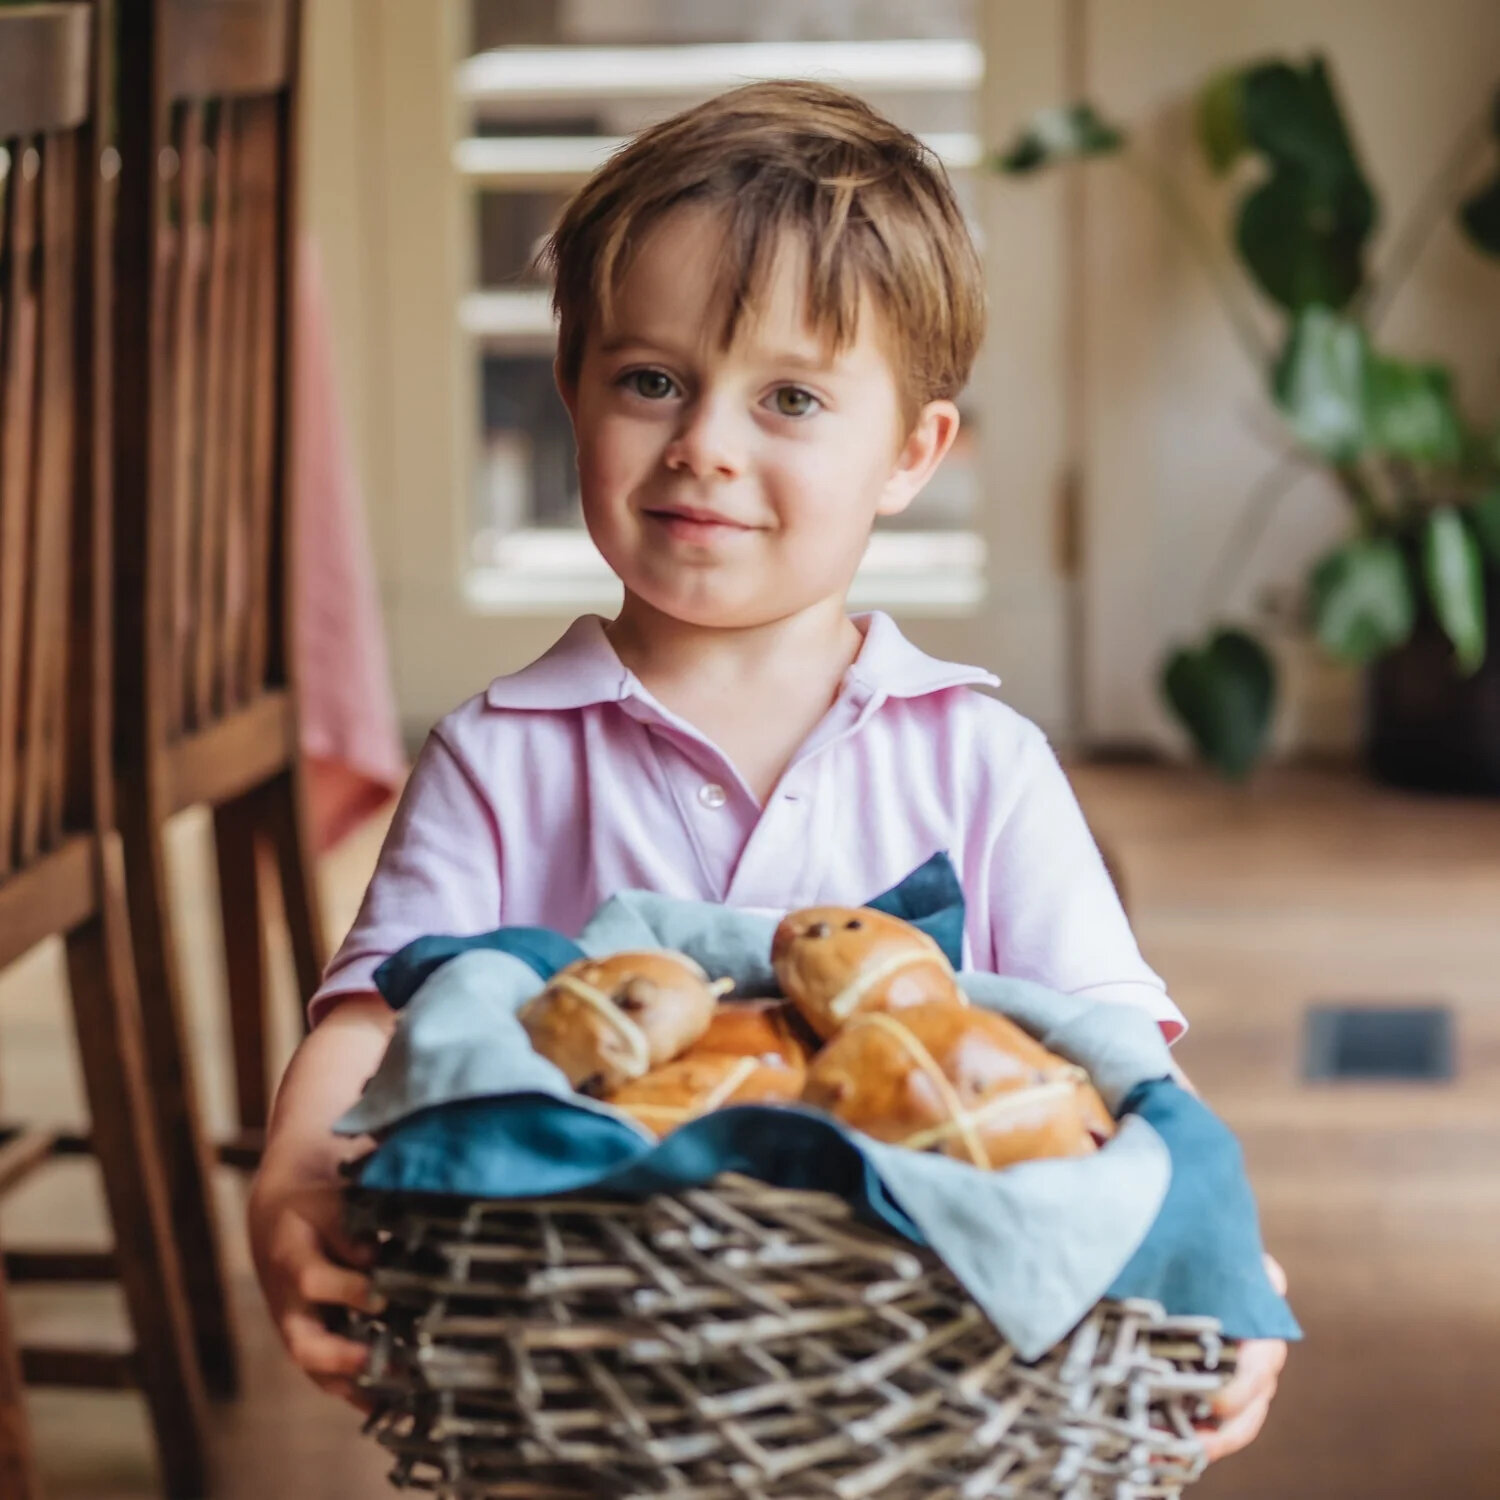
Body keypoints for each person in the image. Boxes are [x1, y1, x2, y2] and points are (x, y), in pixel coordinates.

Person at [248, 79, 1286, 1457]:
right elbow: (377, 1023)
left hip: (930, 1393)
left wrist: (1226, 1263)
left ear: (911, 454)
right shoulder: (501, 757)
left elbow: (1117, 1063)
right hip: (587, 1381)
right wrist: (291, 1191)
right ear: (572, 388)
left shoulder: (981, 762)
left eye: (789, 397)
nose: (704, 445)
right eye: (651, 380)